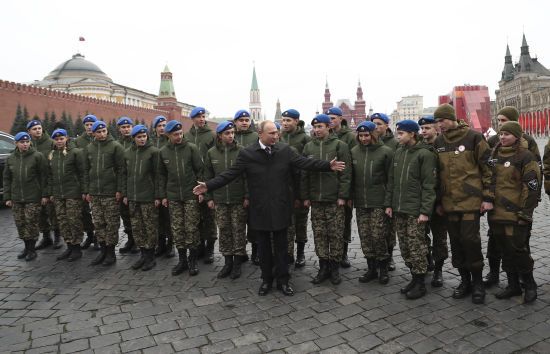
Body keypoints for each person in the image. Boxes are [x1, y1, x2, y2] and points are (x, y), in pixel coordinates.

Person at [193, 120, 346, 296]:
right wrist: (208, 186)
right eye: (272, 133)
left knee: (282, 248)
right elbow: (230, 174)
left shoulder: (284, 151)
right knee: (264, 249)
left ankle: (284, 280)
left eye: (277, 132)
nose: (276, 136)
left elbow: (304, 163)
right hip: (260, 209)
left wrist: (328, 165)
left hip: (281, 207)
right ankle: (266, 280)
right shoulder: (248, 154)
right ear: (260, 134)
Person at [433, 103, 494, 304]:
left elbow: (488, 169)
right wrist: (439, 202)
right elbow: (436, 175)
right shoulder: (439, 141)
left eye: (442, 120)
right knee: (456, 243)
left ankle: (477, 282)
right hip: (449, 203)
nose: (439, 124)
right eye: (437, 121)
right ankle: (464, 281)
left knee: (471, 242)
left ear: (452, 118)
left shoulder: (473, 137)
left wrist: (487, 197)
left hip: (470, 201)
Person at [483, 106, 541, 288]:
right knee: (495, 242)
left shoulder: (528, 143)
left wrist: (530, 204)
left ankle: (523, 278)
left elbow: (535, 174)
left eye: (504, 120)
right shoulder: (494, 142)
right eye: (499, 121)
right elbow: (488, 172)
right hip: (498, 206)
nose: (501, 126)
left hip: (518, 205)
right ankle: (495, 275)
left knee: (519, 243)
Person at [387, 120, 437, 299]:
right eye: (397, 133)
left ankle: (421, 282)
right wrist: (389, 204)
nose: (398, 136)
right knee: (405, 246)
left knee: (416, 246)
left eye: (401, 133)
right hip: (399, 208)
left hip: (415, 210)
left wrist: (425, 211)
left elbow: (429, 185)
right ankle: (414, 278)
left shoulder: (425, 154)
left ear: (412, 134)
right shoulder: (399, 152)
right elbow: (392, 181)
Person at [302, 114, 352, 285]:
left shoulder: (340, 145)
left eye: (320, 127)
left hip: (333, 199)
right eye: (314, 127)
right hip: (316, 199)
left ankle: (335, 268)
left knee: (336, 234)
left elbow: (346, 174)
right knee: (320, 233)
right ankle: (323, 267)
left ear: (328, 127)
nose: (316, 130)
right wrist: (306, 196)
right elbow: (304, 173)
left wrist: (342, 196)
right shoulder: (308, 147)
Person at [350, 121, 393, 285]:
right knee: (365, 236)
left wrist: (388, 202)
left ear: (373, 134)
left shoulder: (386, 152)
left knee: (378, 236)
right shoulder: (354, 152)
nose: (363, 139)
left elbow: (391, 180)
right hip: (361, 202)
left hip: (378, 202)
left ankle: (383, 268)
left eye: (366, 135)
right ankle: (371, 268)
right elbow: (350, 177)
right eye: (360, 136)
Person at [204, 121, 248, 279]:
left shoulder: (242, 151)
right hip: (220, 199)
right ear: (220, 136)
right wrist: (209, 197)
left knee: (238, 231)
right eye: (227, 133)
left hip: (237, 199)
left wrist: (247, 196)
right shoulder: (211, 153)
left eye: (232, 132)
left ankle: (237, 263)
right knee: (224, 230)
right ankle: (227, 262)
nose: (230, 136)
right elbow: (208, 176)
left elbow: (247, 176)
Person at [159, 120, 204, 276]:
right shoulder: (163, 151)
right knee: (177, 228)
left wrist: (201, 192)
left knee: (191, 228)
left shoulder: (191, 148)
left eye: (180, 133)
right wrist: (163, 195)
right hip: (173, 196)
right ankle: (182, 260)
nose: (178, 137)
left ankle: (193, 260)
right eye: (175, 134)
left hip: (190, 193)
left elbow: (200, 171)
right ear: (168, 135)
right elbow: (162, 176)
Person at [84, 120, 126, 266]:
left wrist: (119, 189)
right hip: (95, 192)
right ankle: (102, 250)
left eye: (104, 131)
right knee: (99, 223)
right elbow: (86, 170)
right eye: (98, 132)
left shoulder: (115, 147)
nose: (102, 134)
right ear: (94, 133)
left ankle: (110, 252)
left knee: (112, 223)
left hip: (110, 192)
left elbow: (121, 170)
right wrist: (87, 190)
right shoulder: (89, 148)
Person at [3, 132, 49, 261]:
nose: (25, 144)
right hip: (16, 197)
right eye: (22, 142)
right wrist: (7, 197)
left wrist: (44, 194)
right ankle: (26, 247)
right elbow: (7, 179)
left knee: (31, 223)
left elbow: (44, 177)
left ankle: (32, 250)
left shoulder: (37, 156)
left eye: (27, 142)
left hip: (33, 197)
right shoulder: (11, 158)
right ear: (16, 143)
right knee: (20, 223)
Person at [122, 125, 160, 271]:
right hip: (133, 196)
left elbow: (158, 176)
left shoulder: (153, 152)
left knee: (150, 227)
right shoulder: (127, 153)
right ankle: (143, 255)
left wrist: (158, 195)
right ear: (133, 138)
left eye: (144, 136)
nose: (142, 139)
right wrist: (125, 194)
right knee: (137, 227)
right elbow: (125, 175)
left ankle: (150, 257)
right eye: (139, 137)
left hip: (148, 196)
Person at [419, 116, 449, 287]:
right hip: (422, 201)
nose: (424, 132)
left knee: (439, 237)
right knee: (422, 235)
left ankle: (438, 269)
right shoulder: (419, 148)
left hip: (438, 201)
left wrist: (440, 202)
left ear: (436, 128)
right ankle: (427, 261)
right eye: (422, 129)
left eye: (427, 128)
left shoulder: (443, 147)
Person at [185, 107, 217, 264]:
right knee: (195, 217)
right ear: (193, 119)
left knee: (209, 217)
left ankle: (210, 248)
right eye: (198, 117)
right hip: (192, 181)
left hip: (208, 180)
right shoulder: (187, 136)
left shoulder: (211, 135)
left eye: (204, 116)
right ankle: (199, 247)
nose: (202, 119)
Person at [48, 129, 86, 262]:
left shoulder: (75, 153)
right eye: (57, 139)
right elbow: (50, 176)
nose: (59, 141)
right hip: (58, 194)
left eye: (61, 138)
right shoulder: (53, 154)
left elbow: (83, 173)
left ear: (67, 139)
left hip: (73, 193)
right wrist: (51, 193)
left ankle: (77, 248)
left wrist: (83, 191)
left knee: (74, 220)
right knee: (63, 221)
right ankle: (69, 246)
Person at [280, 109, 311, 267]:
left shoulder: (305, 138)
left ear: (296, 121)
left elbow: (306, 167)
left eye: (288, 120)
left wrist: (302, 195)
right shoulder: (278, 137)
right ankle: (287, 253)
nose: (285, 123)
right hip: (283, 187)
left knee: (300, 222)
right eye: (283, 120)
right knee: (285, 223)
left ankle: (300, 253)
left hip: (299, 185)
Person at [326, 107, 356, 268]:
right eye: (328, 118)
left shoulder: (349, 136)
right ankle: (330, 254)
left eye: (333, 118)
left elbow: (351, 164)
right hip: (328, 187)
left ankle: (343, 253)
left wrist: (348, 193)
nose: (330, 121)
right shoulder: (324, 134)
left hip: (343, 185)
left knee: (344, 221)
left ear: (340, 118)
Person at [370, 112, 399, 272]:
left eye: (379, 123)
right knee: (377, 230)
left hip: (390, 190)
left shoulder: (395, 143)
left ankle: (390, 257)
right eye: (374, 123)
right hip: (375, 193)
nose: (376, 126)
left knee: (389, 228)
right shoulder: (370, 141)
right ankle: (376, 258)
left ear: (387, 125)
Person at [27, 120, 60, 250]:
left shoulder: (51, 143)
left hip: (50, 181)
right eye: (34, 129)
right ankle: (46, 237)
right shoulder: (27, 144)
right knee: (39, 212)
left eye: (39, 128)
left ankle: (58, 237)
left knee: (52, 211)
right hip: (35, 184)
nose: (38, 130)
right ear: (29, 131)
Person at [233, 109, 259, 264]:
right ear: (235, 122)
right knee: (237, 222)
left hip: (253, 182)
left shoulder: (255, 137)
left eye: (246, 120)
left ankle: (256, 251)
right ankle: (240, 251)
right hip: (235, 184)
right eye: (241, 120)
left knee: (254, 221)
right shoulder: (230, 136)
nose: (244, 122)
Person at [150, 115, 174, 258]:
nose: (162, 128)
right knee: (157, 217)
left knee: (169, 217)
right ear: (155, 128)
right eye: (159, 126)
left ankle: (171, 246)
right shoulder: (151, 142)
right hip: (153, 183)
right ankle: (161, 244)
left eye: (164, 125)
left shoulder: (170, 141)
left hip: (167, 183)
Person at [75, 114, 99, 251]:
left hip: (97, 179)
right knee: (84, 211)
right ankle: (89, 234)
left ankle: (97, 237)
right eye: (87, 125)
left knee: (97, 211)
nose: (89, 127)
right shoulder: (79, 141)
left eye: (92, 124)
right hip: (83, 179)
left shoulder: (100, 139)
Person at [116, 116, 137, 254]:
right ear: (119, 129)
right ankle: (130, 239)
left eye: (128, 126)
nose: (126, 129)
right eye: (123, 127)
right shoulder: (117, 145)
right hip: (121, 183)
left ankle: (137, 241)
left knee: (136, 215)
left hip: (135, 184)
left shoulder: (137, 142)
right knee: (125, 214)